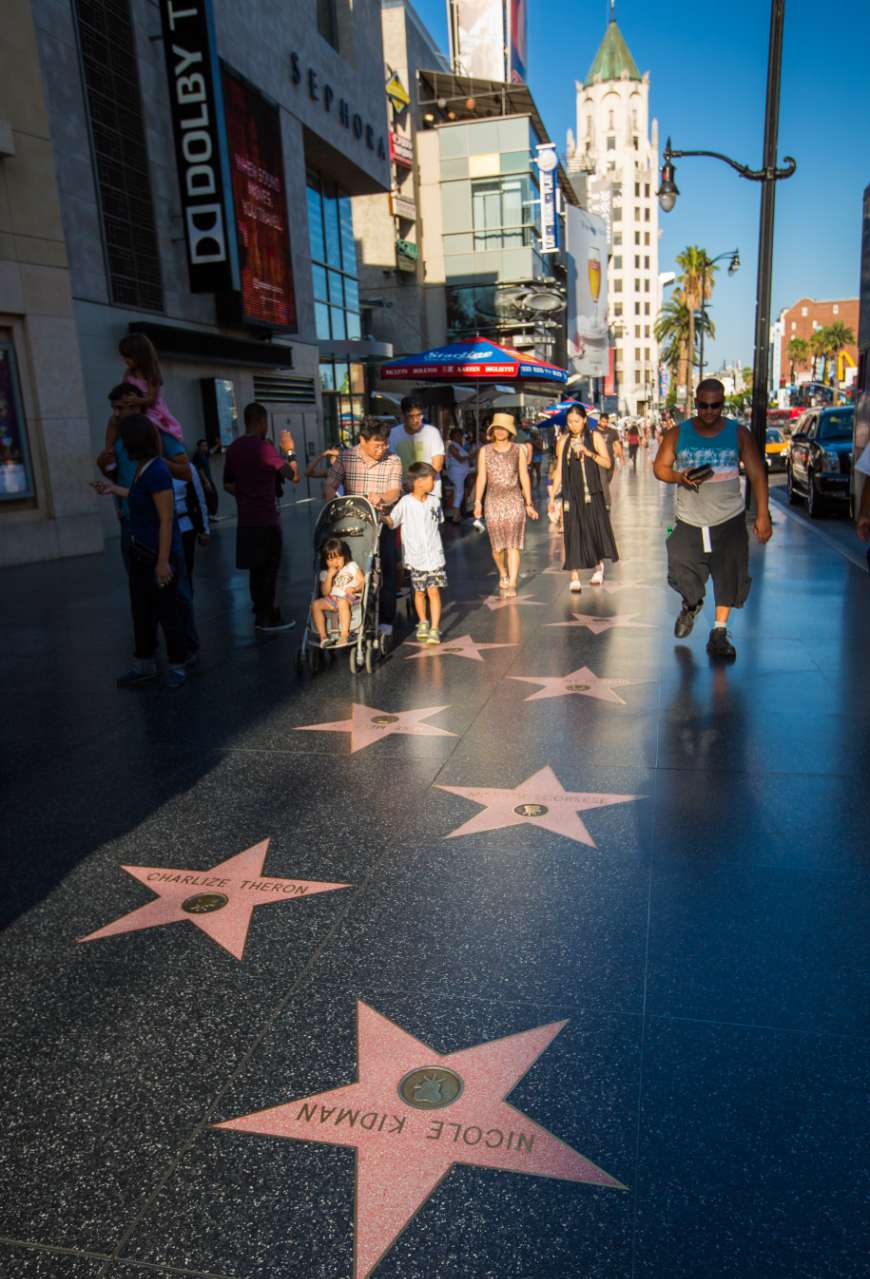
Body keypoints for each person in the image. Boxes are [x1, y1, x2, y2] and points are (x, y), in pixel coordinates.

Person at [653, 377, 772, 660]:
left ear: (723, 404)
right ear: (695, 403)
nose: (709, 410)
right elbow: (659, 468)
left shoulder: (738, 433)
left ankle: (719, 632)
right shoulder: (677, 434)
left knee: (728, 574)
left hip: (728, 519)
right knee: (681, 564)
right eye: (704, 405)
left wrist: (763, 514)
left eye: (715, 405)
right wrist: (678, 476)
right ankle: (691, 604)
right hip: (689, 518)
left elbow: (757, 473)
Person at [92, 415, 188, 689]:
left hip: (156, 555)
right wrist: (113, 488)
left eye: (123, 440)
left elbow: (166, 518)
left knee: (168, 612)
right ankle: (144, 662)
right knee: (142, 611)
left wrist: (162, 561)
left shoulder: (157, 470)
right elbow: (139, 496)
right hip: (141, 552)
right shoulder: (143, 468)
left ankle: (177, 665)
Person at [223, 401, 300, 632]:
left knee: (255, 571)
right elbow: (293, 475)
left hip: (245, 520)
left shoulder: (234, 448)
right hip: (266, 518)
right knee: (270, 569)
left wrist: (246, 492)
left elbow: (227, 484)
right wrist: (289, 449)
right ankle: (268, 617)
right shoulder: (263, 448)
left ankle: (260, 613)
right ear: (261, 422)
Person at [323, 419, 403, 626]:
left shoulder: (393, 460)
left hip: (380, 524)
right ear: (362, 440)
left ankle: (386, 620)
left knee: (386, 567)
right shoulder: (346, 457)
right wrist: (333, 499)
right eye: (377, 445)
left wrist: (382, 497)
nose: (382, 449)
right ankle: (349, 617)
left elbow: (395, 490)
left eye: (385, 444)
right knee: (351, 568)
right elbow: (329, 485)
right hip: (350, 526)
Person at [549, 404, 618, 591]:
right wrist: (552, 497)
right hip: (571, 493)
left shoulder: (594, 437)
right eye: (570, 421)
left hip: (591, 492)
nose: (573, 425)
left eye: (577, 421)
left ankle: (598, 565)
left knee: (592, 529)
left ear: (585, 420)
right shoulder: (563, 441)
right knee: (572, 532)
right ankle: (574, 574)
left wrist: (589, 453)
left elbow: (607, 462)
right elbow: (559, 470)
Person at [473, 411, 539, 597]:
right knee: (497, 548)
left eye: (504, 429)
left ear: (510, 431)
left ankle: (512, 583)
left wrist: (529, 502)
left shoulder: (519, 450)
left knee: (513, 544)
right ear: (492, 431)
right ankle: (502, 572)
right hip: (492, 501)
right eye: (497, 428)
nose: (500, 432)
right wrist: (477, 502)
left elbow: (524, 477)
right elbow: (481, 478)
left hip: (514, 500)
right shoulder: (484, 451)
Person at [385, 462, 445, 644]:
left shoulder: (435, 501)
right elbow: (392, 521)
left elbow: (438, 522)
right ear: (418, 482)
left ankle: (435, 628)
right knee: (419, 592)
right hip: (416, 557)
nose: (434, 482)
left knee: (434, 591)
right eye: (431, 479)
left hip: (434, 555)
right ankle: (423, 621)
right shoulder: (405, 502)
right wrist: (382, 515)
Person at [105, 334, 184, 451]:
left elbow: (151, 399)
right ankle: (109, 451)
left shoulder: (151, 374)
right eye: (124, 356)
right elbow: (123, 388)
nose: (125, 360)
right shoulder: (129, 372)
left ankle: (157, 454)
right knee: (113, 421)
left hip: (152, 410)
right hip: (133, 408)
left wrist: (137, 400)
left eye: (128, 357)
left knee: (150, 424)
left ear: (140, 355)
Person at [310, 538, 364, 648]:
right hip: (332, 599)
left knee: (342, 602)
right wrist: (329, 576)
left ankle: (344, 635)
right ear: (325, 561)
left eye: (338, 558)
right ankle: (323, 637)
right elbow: (325, 593)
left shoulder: (351, 566)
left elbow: (363, 581)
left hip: (349, 597)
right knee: (315, 604)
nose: (334, 562)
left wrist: (355, 589)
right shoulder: (325, 573)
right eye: (330, 560)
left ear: (344, 556)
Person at [389, 396, 445, 499]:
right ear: (403, 415)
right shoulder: (393, 434)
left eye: (419, 415)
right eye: (411, 416)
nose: (416, 420)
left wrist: (418, 484)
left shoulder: (432, 432)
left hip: (429, 493)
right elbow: (390, 464)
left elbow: (437, 465)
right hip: (404, 492)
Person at [174, 464, 210, 590]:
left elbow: (199, 498)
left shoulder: (188, 468)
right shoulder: (154, 467)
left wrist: (204, 529)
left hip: (185, 527)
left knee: (185, 570)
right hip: (162, 528)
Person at [594, 411, 624, 511]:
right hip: (599, 461)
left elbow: (617, 444)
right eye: (603, 421)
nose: (604, 424)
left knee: (607, 481)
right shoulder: (594, 432)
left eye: (606, 422)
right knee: (603, 481)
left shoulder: (612, 431)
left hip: (610, 460)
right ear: (599, 421)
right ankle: (607, 503)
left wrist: (621, 457)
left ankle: (601, 497)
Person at [444, 426, 470, 523]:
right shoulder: (452, 446)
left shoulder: (459, 446)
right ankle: (455, 516)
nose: (460, 437)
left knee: (458, 493)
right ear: (453, 436)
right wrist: (470, 455)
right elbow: (459, 458)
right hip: (456, 473)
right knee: (459, 493)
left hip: (462, 473)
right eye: (458, 435)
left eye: (460, 435)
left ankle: (457, 513)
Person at [192, 438, 219, 518]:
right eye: (203, 446)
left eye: (206, 445)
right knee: (210, 497)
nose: (205, 447)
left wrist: (218, 445)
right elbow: (200, 469)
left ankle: (211, 514)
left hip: (207, 479)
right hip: (203, 481)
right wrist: (206, 482)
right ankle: (210, 515)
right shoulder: (198, 455)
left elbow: (211, 451)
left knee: (212, 496)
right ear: (199, 447)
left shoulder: (204, 454)